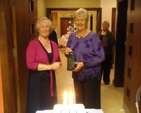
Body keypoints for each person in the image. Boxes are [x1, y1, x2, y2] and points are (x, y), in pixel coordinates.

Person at [64, 8, 105, 109]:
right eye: (77, 20)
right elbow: (71, 54)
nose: (79, 22)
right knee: (79, 104)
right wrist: (66, 53)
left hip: (91, 76)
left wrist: (84, 64)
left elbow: (101, 56)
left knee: (91, 105)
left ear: (86, 21)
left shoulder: (93, 36)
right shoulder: (72, 36)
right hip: (77, 75)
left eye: (82, 19)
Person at [26, 17, 62, 113]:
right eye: (42, 27)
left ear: (50, 29)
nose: (45, 29)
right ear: (38, 29)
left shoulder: (54, 44)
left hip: (50, 80)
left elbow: (58, 60)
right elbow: (30, 64)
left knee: (49, 105)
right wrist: (50, 66)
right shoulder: (33, 44)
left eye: (47, 27)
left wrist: (58, 64)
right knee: (37, 106)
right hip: (37, 81)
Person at [98, 21, 115, 85]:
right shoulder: (99, 33)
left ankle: (106, 80)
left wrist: (106, 43)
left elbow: (113, 42)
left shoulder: (110, 34)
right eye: (103, 25)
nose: (104, 26)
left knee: (107, 67)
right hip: (99, 53)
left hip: (108, 53)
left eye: (106, 25)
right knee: (100, 67)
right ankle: (98, 79)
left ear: (108, 26)